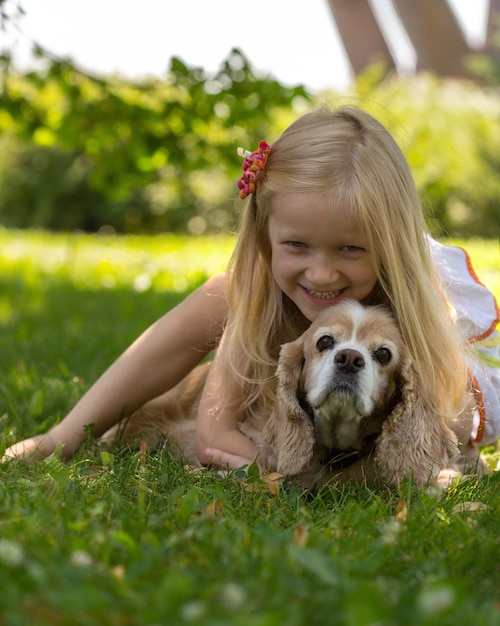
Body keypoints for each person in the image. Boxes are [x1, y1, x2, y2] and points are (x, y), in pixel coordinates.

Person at [3, 106, 499, 471]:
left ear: (391, 246)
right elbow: (214, 437)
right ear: (265, 234)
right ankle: (62, 436)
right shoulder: (260, 286)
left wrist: (335, 481)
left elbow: (440, 449)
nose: (321, 275)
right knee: (220, 293)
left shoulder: (421, 312)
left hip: (422, 364)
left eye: (350, 249)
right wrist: (314, 476)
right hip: (263, 378)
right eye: (298, 245)